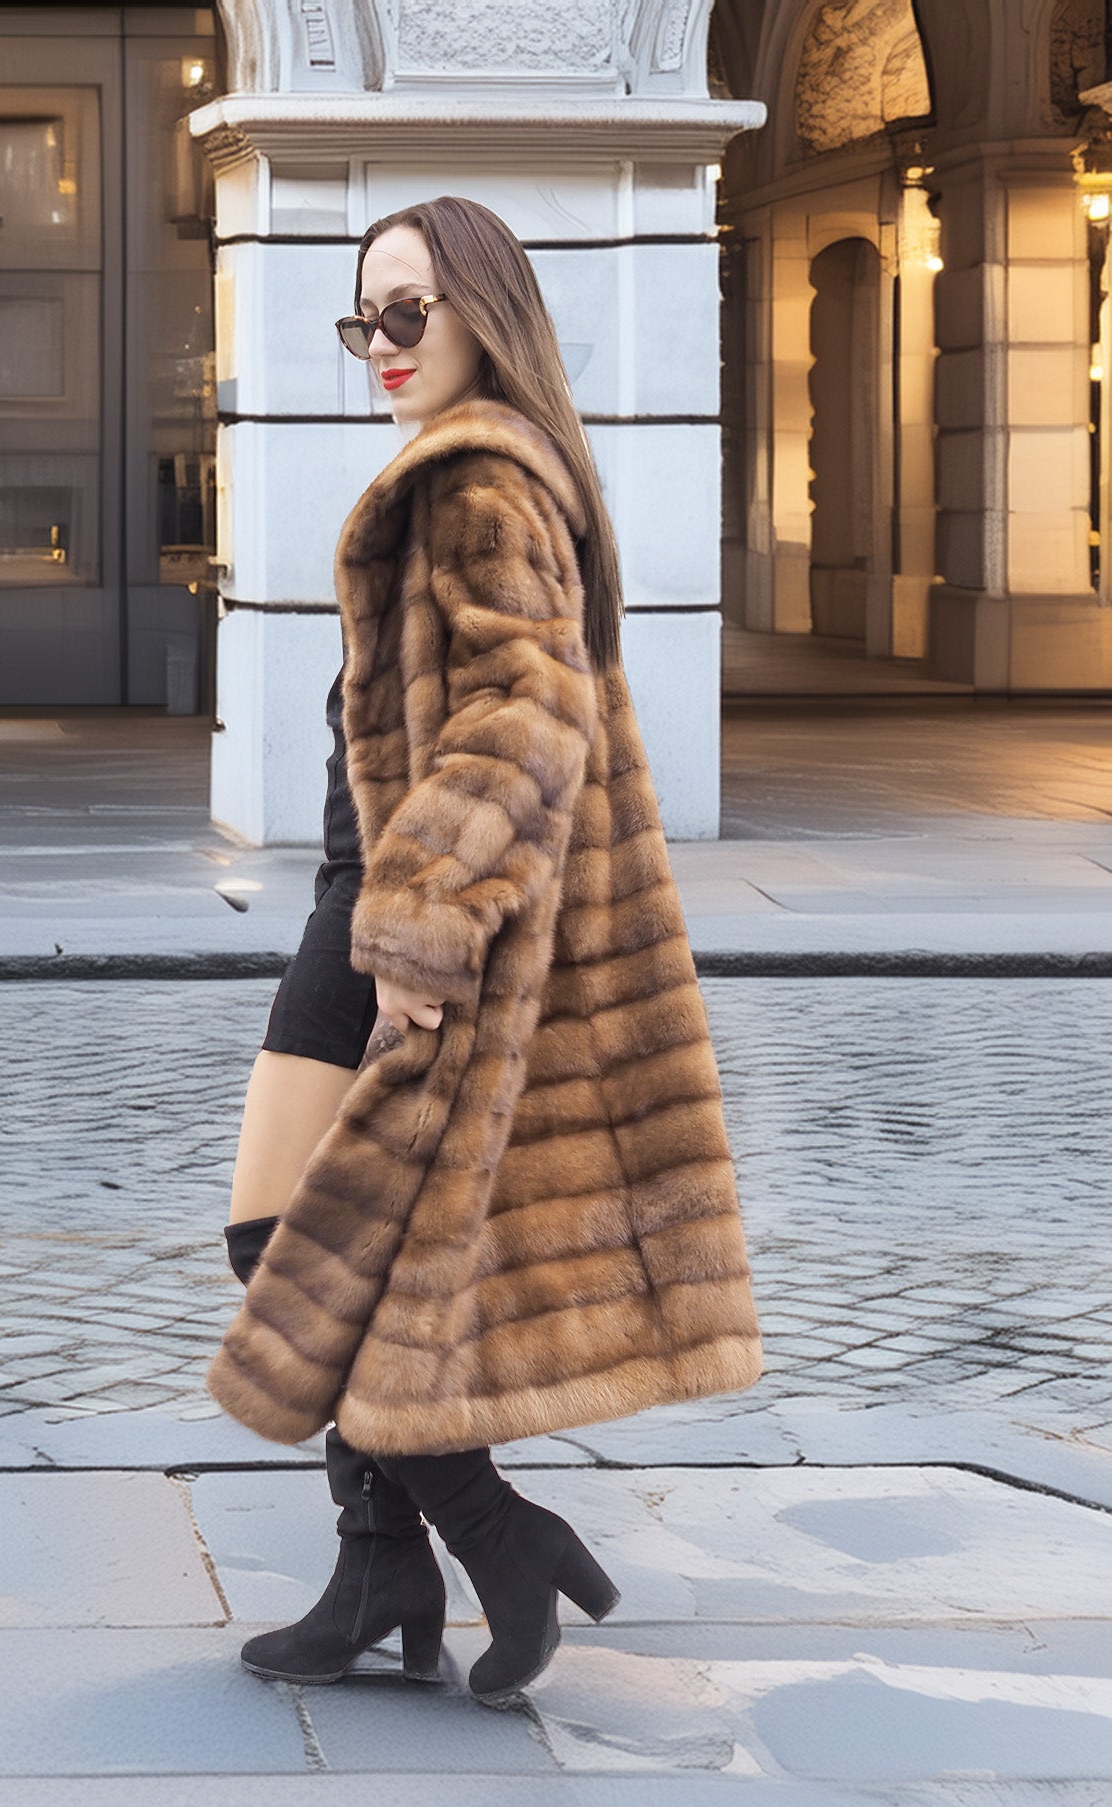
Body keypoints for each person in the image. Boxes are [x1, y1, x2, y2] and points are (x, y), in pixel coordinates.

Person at [213, 195, 763, 1707]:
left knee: (284, 1236)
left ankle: (486, 1537)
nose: (383, 346)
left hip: (398, 914)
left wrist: (425, 923)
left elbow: (527, 710)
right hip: (364, 895)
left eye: (409, 315)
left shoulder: (480, 476)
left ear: (481, 313)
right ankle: (387, 1568)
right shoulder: (480, 464)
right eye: (364, 320)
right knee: (324, 1239)